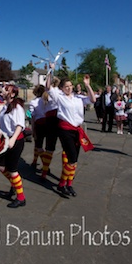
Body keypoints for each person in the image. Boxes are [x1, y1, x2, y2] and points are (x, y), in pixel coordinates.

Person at [46, 67, 96, 197]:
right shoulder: (60, 97)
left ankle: (69, 184)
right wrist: (50, 71)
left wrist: (87, 85)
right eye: (66, 86)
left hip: (77, 129)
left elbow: (93, 100)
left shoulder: (78, 98)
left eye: (70, 86)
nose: (69, 88)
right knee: (72, 158)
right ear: (62, 88)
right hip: (65, 129)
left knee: (74, 159)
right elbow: (48, 87)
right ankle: (62, 184)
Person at [0, 84, 26, 208]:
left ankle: (21, 197)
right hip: (5, 140)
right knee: (1, 167)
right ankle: (15, 185)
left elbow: (20, 125)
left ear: (13, 94)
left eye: (6, 90)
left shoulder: (17, 107)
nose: (3, 91)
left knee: (12, 169)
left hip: (16, 140)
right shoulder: (5, 106)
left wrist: (13, 139)